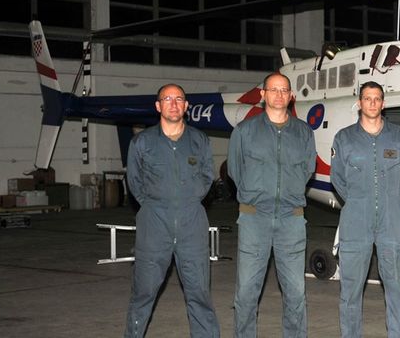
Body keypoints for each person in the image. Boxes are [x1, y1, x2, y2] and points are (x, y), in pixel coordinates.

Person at [124, 83, 220, 337]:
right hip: (153, 227)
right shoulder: (142, 142)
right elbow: (134, 182)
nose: (174, 103)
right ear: (158, 106)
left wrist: (187, 199)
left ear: (186, 106)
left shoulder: (199, 140)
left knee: (199, 295)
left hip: (192, 226)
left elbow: (207, 176)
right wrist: (157, 204)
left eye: (179, 99)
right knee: (143, 294)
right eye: (167, 99)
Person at [228, 73, 317, 338]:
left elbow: (307, 170)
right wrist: (257, 195)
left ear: (291, 96)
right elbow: (235, 170)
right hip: (254, 219)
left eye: (284, 90)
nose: (279, 94)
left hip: (292, 220)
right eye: (273, 90)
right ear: (263, 95)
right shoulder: (245, 131)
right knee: (246, 292)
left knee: (296, 293)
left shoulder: (303, 133)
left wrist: (288, 193)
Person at [331, 81, 400, 337]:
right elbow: (338, 179)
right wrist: (358, 201)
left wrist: (388, 200)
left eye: (377, 98)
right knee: (350, 292)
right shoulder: (344, 138)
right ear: (359, 103)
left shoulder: (398, 136)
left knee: (397, 290)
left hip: (391, 223)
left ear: (383, 104)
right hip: (356, 223)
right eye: (368, 98)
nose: (373, 103)